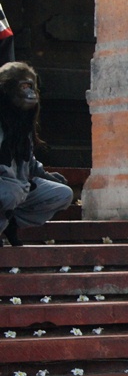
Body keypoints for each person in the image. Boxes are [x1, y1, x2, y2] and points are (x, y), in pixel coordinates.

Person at [0, 62, 73, 246]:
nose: (31, 93)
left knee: (62, 194)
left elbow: (27, 160)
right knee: (11, 192)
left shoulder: (22, 121)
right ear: (7, 89)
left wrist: (45, 175)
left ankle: (10, 223)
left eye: (31, 86)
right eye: (24, 87)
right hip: (7, 189)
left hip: (19, 187)